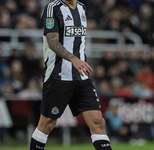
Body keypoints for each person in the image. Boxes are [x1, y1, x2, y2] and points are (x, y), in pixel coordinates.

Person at [30, 0, 112, 150]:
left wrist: (79, 61)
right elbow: (52, 42)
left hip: (81, 76)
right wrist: (74, 59)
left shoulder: (82, 8)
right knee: (47, 124)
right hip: (58, 76)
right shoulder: (52, 8)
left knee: (97, 122)